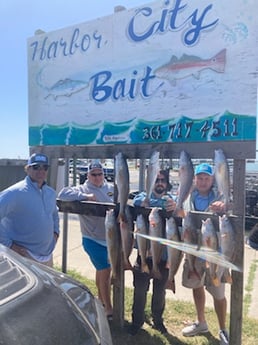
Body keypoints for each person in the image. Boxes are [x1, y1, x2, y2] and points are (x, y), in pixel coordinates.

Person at [58, 161, 114, 319]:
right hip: (92, 239)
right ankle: (109, 309)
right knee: (106, 272)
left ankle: (101, 301)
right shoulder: (82, 188)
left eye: (100, 174)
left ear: (104, 174)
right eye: (93, 174)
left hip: (110, 240)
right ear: (88, 175)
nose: (97, 177)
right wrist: (85, 196)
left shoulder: (111, 188)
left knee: (101, 272)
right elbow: (62, 194)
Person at [181, 163, 229, 345]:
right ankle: (201, 322)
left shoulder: (220, 196)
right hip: (194, 254)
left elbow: (231, 215)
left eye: (206, 178)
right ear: (194, 179)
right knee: (197, 287)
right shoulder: (186, 196)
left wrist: (225, 206)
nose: (202, 181)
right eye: (199, 178)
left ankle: (223, 329)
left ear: (212, 180)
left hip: (215, 255)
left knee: (218, 294)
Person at [128, 169, 177, 336]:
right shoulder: (143, 197)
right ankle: (137, 322)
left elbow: (175, 205)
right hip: (144, 255)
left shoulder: (172, 199)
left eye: (163, 180)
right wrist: (157, 205)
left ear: (167, 183)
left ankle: (158, 320)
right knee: (139, 291)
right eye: (156, 180)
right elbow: (136, 201)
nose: (160, 183)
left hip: (163, 258)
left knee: (159, 292)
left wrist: (169, 205)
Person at [0, 153, 59, 267]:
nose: (41, 171)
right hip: (22, 257)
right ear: (27, 169)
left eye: (44, 167)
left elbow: (54, 214)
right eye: (36, 167)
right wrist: (9, 245)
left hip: (48, 256)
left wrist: (56, 232)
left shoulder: (50, 192)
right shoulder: (14, 192)